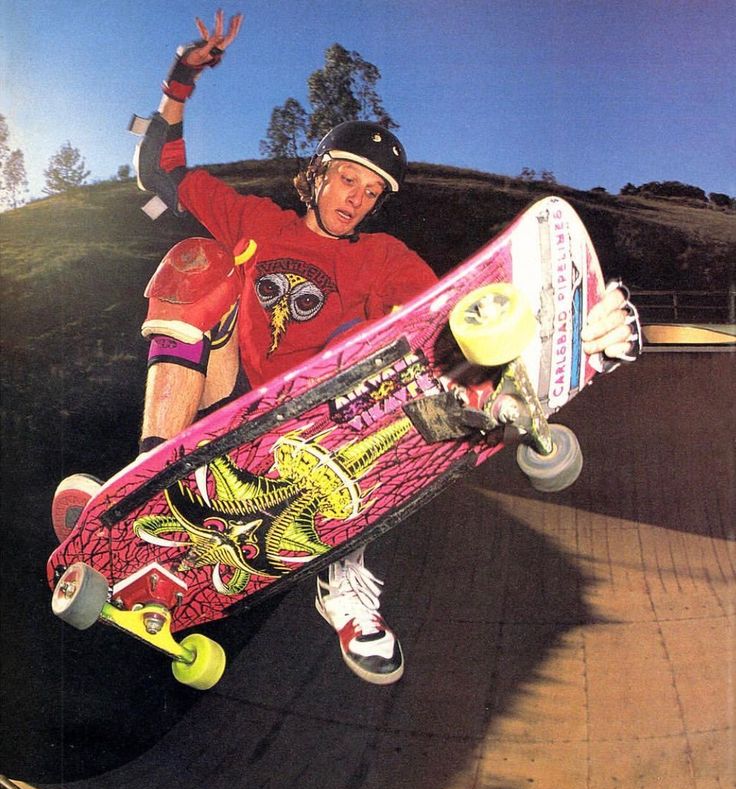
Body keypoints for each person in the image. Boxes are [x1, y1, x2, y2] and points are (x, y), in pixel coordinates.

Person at [54, 10, 641, 686]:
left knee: (381, 342)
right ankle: (151, 470)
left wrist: (566, 328)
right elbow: (158, 170)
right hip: (227, 401)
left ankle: (344, 578)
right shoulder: (256, 219)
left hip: (333, 416)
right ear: (318, 173)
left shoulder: (384, 257)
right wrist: (183, 74)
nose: (356, 200)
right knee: (198, 260)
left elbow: (447, 328)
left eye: (371, 194)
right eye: (348, 180)